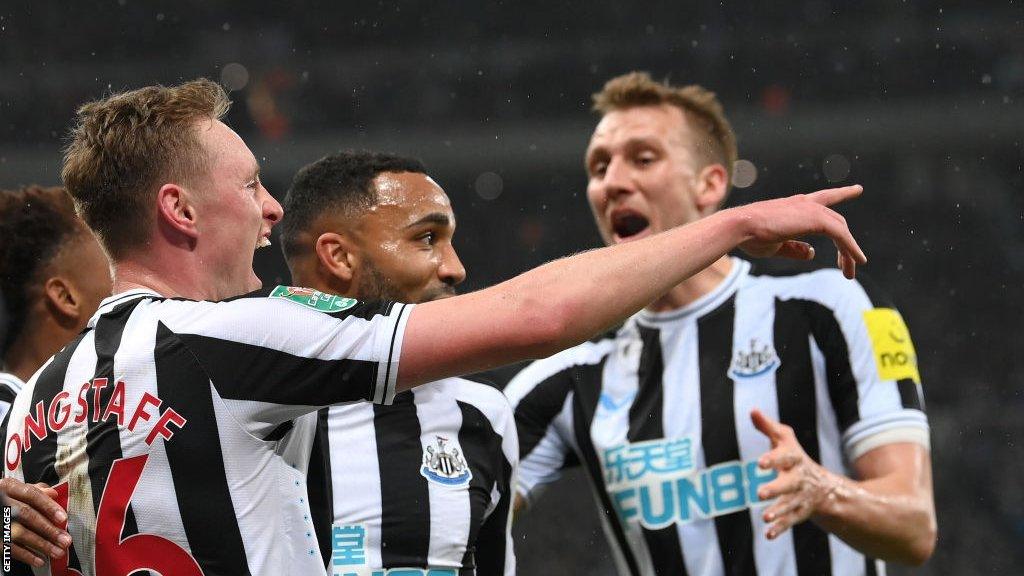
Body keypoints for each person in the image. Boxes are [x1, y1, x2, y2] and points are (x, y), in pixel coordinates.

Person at [4, 78, 864, 576]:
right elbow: (541, 315)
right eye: (251, 184)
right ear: (180, 209)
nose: (272, 206)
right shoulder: (227, 338)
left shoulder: (33, 406)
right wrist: (730, 228)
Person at [505, 72, 936, 576]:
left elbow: (914, 526)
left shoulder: (829, 306)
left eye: (643, 159)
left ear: (710, 184)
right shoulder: (568, 377)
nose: (612, 182)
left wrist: (824, 491)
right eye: (599, 166)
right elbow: (448, 510)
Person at [280, 150, 516, 576]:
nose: (456, 269)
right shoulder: (243, 401)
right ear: (339, 257)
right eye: (427, 239)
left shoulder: (483, 414)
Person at [0, 185, 113, 571]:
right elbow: (2, 550)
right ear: (66, 296)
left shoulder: (99, 402)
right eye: (113, 259)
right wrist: (1, 535)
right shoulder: (5, 408)